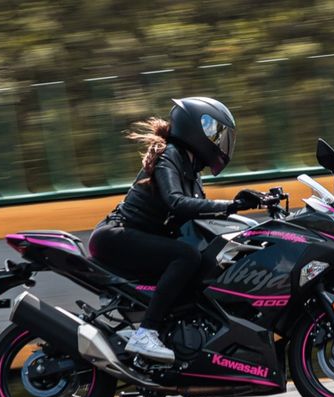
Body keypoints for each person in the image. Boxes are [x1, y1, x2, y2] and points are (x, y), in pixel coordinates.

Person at [88, 97, 261, 363]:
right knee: (186, 257)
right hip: (117, 236)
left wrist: (256, 206)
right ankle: (146, 333)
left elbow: (199, 213)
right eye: (217, 133)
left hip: (137, 238)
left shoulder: (191, 170)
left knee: (201, 262)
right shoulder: (170, 155)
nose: (221, 142)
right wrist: (231, 206)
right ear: (196, 128)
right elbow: (176, 202)